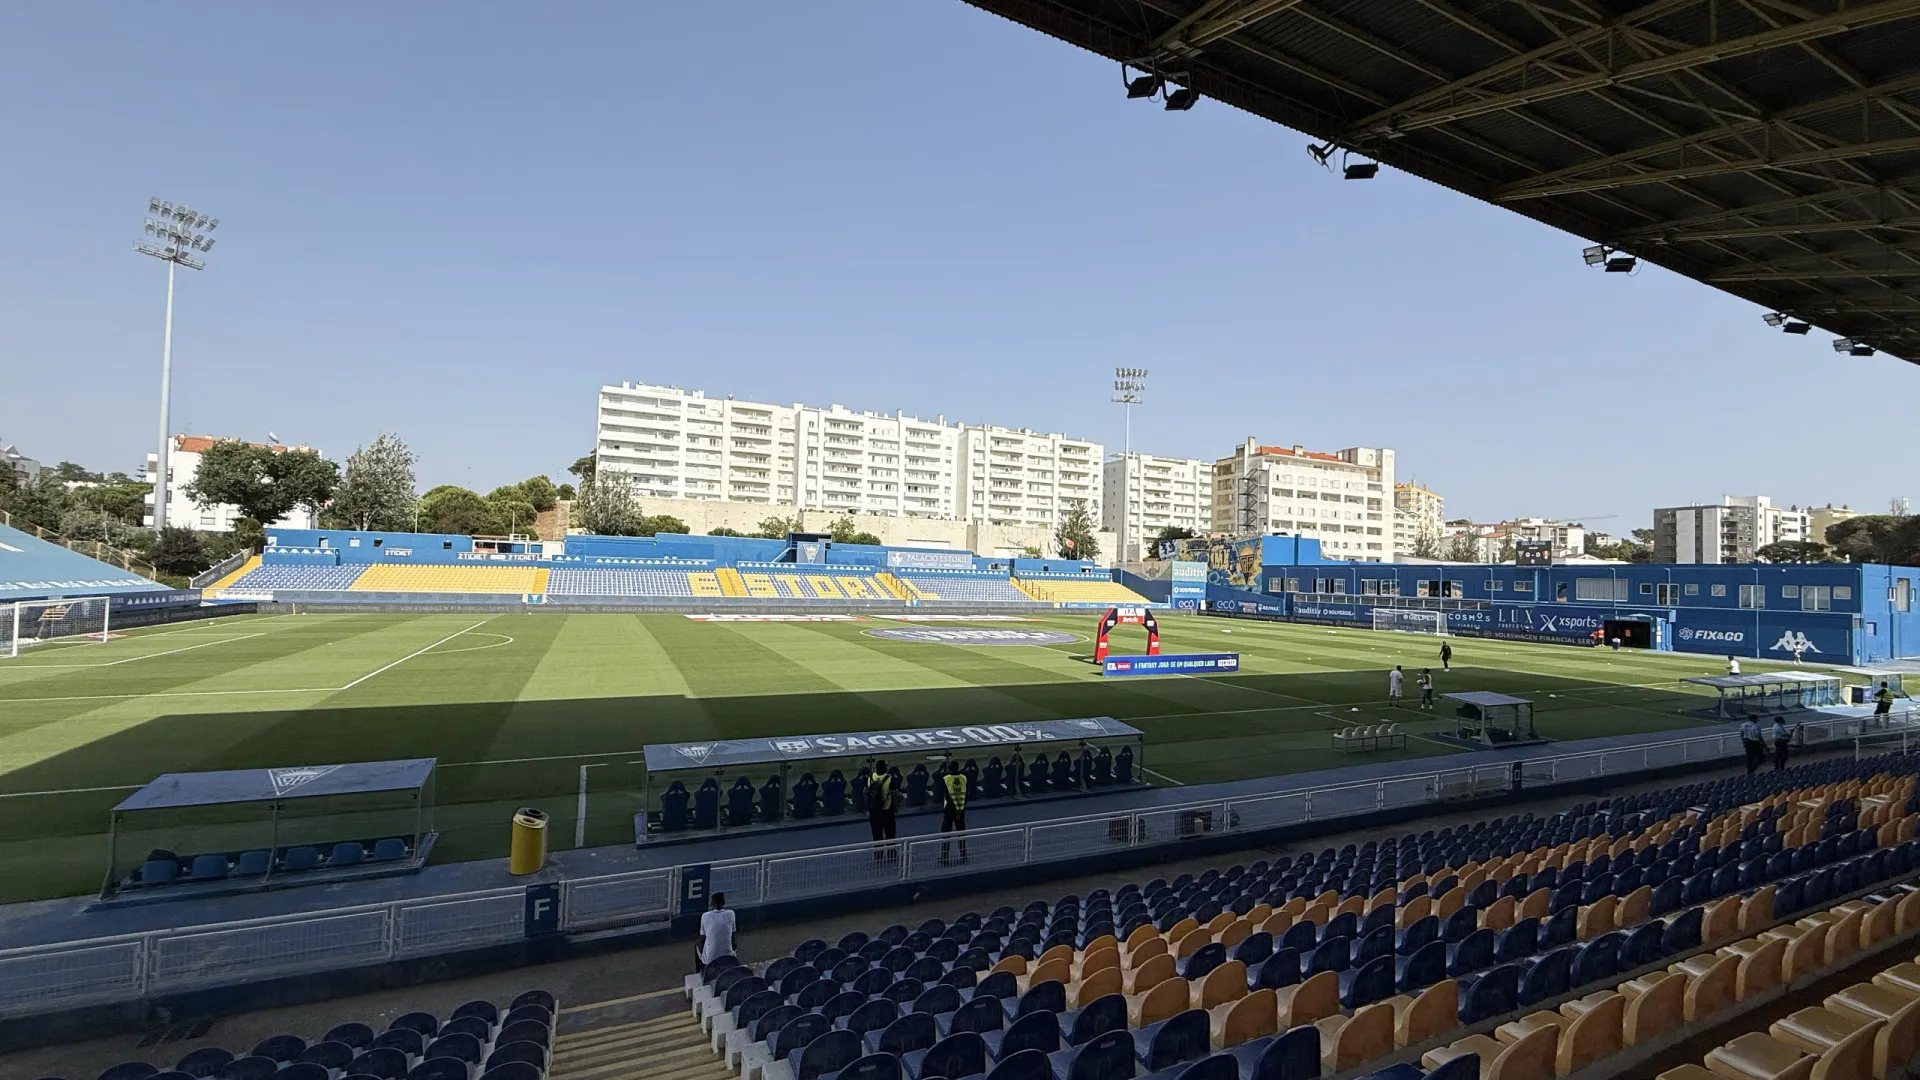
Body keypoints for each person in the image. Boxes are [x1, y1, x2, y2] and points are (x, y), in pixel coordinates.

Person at [695, 891, 735, 974]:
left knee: (697, 945)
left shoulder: (705, 916)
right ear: (723, 902)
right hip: (729, 957)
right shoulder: (731, 913)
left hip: (710, 960)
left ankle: (700, 972)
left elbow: (702, 939)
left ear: (711, 903)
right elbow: (732, 936)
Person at [938, 760, 968, 865]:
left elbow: (947, 796)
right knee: (961, 833)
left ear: (949, 769)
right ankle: (964, 855)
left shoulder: (946, 779)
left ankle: (944, 857)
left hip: (949, 810)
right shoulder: (964, 778)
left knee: (946, 834)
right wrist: (960, 810)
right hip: (961, 809)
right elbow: (966, 794)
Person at [867, 759, 898, 860]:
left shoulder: (870, 778)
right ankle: (891, 855)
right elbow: (894, 794)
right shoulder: (889, 779)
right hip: (887, 811)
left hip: (874, 812)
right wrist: (896, 806)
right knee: (890, 834)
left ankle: (878, 856)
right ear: (885, 768)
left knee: (876, 835)